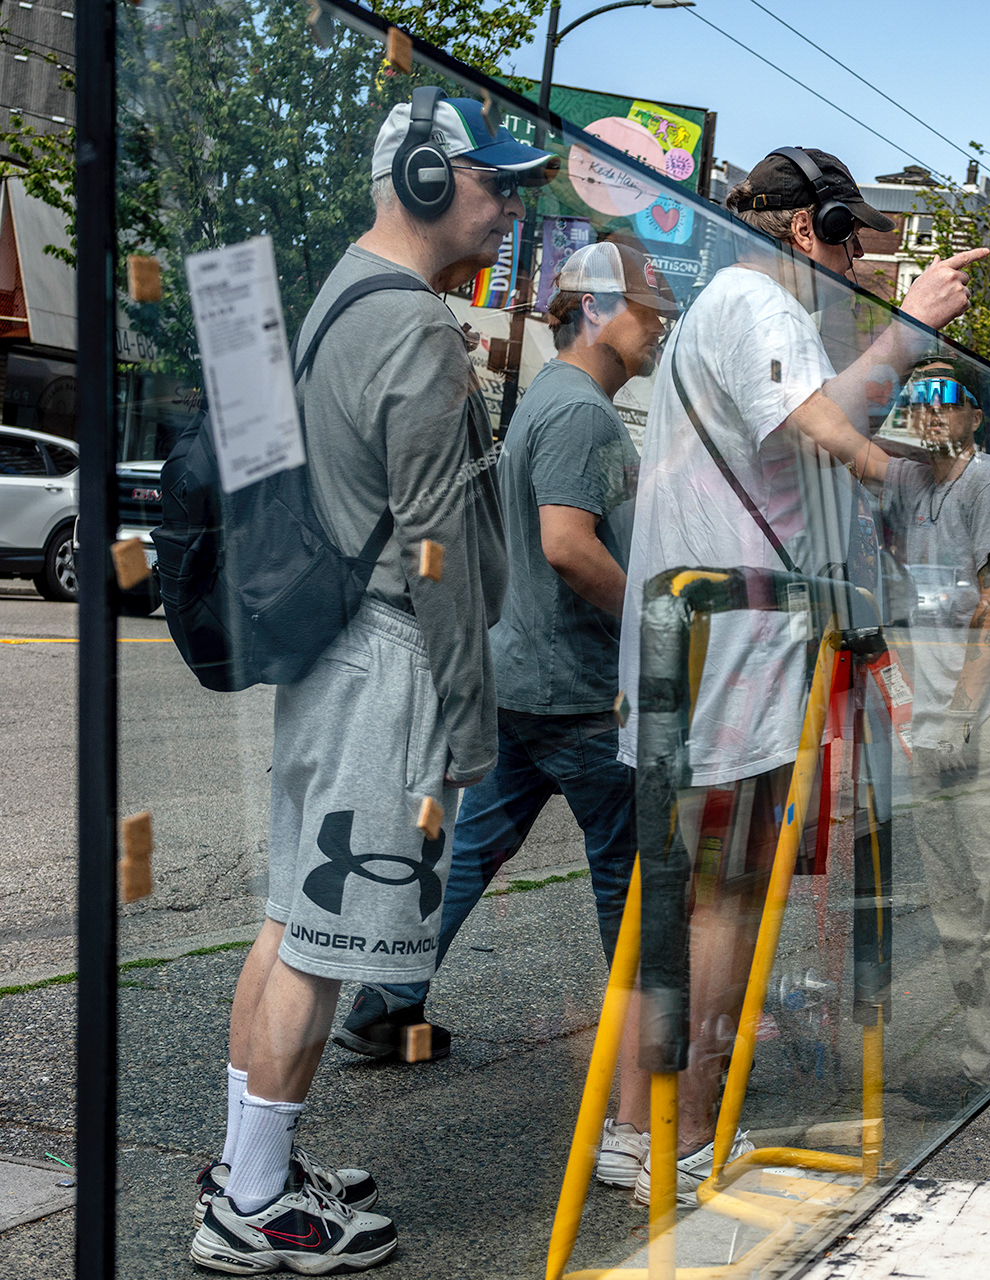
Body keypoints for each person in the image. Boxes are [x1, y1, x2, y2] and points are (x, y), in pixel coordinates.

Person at [191, 91, 553, 1274]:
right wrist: (465, 713)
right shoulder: (411, 327)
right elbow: (439, 544)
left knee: (292, 913)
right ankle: (254, 1206)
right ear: (430, 180)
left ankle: (253, 1163)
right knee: (325, 936)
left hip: (337, 654)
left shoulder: (344, 292)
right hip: (390, 660)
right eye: (495, 183)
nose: (510, 208)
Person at [615, 145, 987, 1206]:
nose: (866, 261)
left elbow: (816, 416)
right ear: (804, 229)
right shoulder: (765, 305)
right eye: (855, 239)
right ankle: (685, 1139)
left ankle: (638, 1129)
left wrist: (900, 344)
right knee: (722, 899)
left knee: (680, 898)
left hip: (700, 640)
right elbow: (831, 432)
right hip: (734, 642)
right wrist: (921, 448)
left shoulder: (722, 306)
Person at [330, 240, 678, 1187]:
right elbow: (567, 545)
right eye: (652, 303)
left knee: (473, 848)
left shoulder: (550, 403)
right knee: (639, 883)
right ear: (601, 308)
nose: (663, 320)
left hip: (522, 678)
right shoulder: (583, 416)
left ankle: (387, 1001)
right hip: (581, 694)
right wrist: (656, 628)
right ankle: (640, 1096)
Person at [884, 353, 990, 1108]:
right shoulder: (908, 479)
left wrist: (961, 712)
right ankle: (978, 1056)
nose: (929, 409)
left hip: (979, 715)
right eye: (916, 396)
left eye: (946, 396)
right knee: (950, 901)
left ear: (974, 414)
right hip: (926, 719)